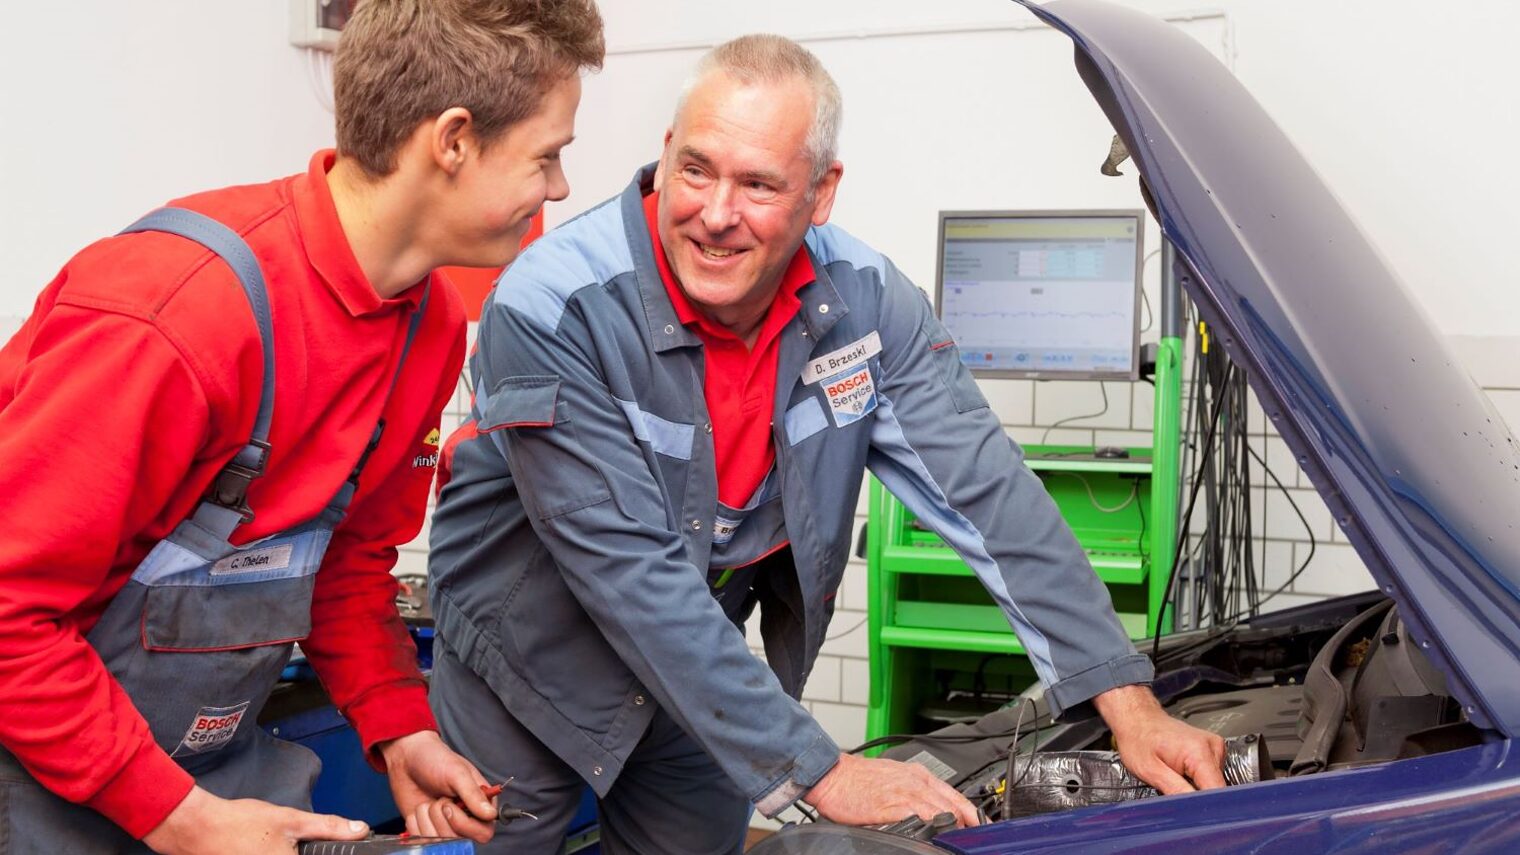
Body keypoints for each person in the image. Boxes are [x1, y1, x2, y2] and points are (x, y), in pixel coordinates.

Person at [427, 33, 1225, 854]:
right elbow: (628, 571)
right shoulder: (553, 304)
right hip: (521, 675)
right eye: (697, 169)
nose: (716, 212)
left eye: (760, 184)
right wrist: (821, 768)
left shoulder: (867, 304)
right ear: (664, 156)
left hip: (697, 693)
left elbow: (991, 497)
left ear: (821, 191)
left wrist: (1127, 701)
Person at [0, 1, 603, 852]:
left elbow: (342, 562)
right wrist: (185, 820)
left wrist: (401, 727)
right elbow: (7, 611)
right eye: (547, 156)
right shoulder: (178, 316)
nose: (559, 188)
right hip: (33, 779)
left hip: (197, 773)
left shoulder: (425, 326)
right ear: (455, 140)